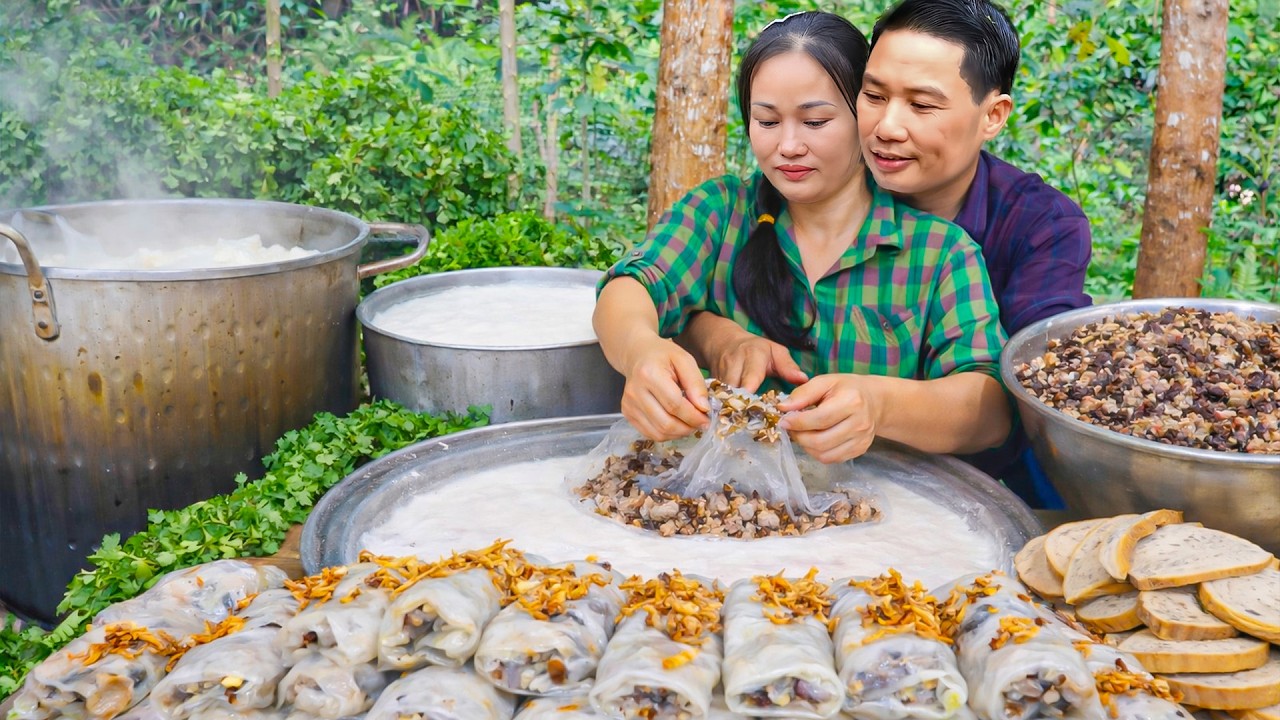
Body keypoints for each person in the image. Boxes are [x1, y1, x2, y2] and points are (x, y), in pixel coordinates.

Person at [682, 0, 1092, 503]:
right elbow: (674, 285)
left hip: (974, 482)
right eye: (874, 95)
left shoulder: (1038, 226)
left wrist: (879, 404)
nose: (887, 128)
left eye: (922, 105)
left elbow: (1035, 383)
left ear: (992, 116)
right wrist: (713, 333)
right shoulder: (810, 185)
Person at [592, 10, 1011, 465]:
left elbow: (989, 408)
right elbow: (630, 287)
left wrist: (879, 405)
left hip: (879, 503)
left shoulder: (939, 252)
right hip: (723, 493)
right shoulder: (721, 212)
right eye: (767, 122)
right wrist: (641, 351)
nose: (788, 146)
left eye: (815, 122)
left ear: (863, 114)